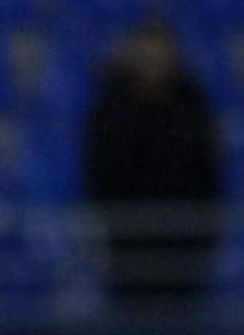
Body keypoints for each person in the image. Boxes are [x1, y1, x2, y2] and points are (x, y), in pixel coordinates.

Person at [84, 19, 223, 316]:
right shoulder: (110, 106)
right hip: (123, 246)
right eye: (146, 53)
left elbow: (210, 175)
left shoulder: (194, 106)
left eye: (160, 52)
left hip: (184, 248)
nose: (153, 60)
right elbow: (95, 173)